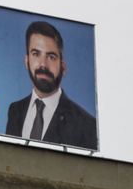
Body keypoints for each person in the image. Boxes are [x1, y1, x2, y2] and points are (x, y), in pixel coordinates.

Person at [6, 20, 97, 150]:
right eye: (36, 54)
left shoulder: (86, 125)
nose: (43, 64)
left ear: (63, 68)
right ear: (27, 61)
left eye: (51, 57)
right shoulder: (15, 111)